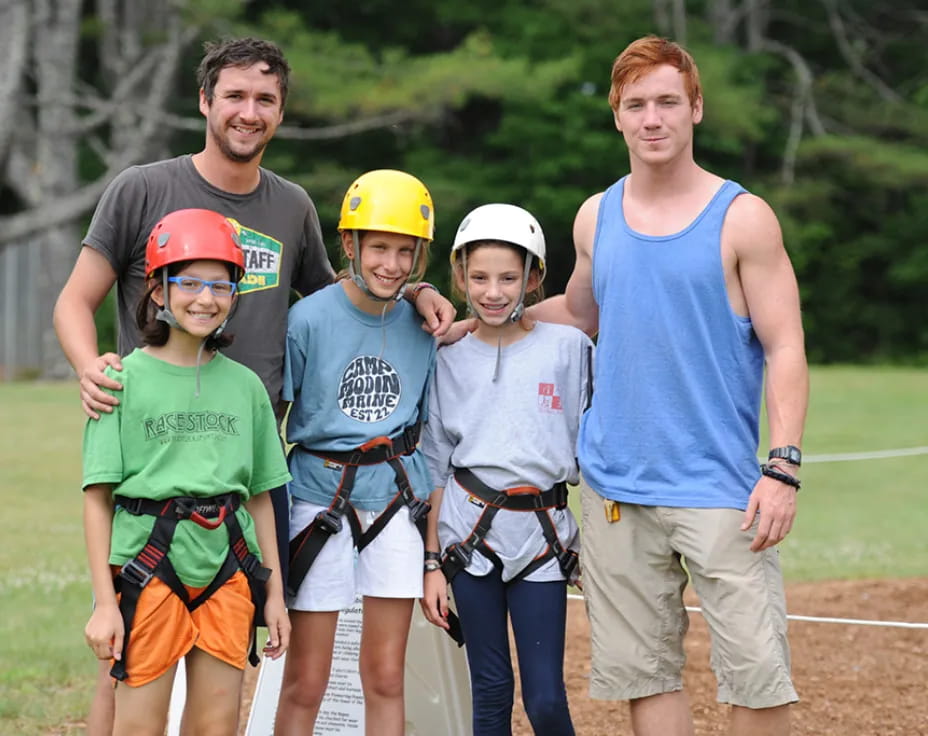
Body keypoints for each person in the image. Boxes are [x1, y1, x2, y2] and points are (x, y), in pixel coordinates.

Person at [52, 38, 453, 734]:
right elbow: (72, 300)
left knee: (226, 649)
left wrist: (415, 289)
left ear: (281, 111)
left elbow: (342, 298)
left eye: (265, 99)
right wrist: (91, 366)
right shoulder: (142, 188)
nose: (249, 111)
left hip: (252, 460)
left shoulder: (291, 206)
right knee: (127, 662)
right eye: (234, 95)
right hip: (156, 449)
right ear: (204, 101)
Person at [529, 36, 809, 736]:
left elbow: (785, 345)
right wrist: (481, 322)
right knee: (646, 675)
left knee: (758, 677)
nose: (652, 119)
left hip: (721, 487)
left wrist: (782, 468)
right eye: (636, 105)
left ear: (696, 108)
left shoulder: (743, 217)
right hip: (615, 488)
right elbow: (581, 313)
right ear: (616, 117)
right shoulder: (596, 216)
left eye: (667, 102)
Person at [82, 208, 290, 736]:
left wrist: (275, 594)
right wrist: (104, 604)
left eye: (221, 286)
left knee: (216, 727)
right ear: (158, 289)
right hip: (149, 568)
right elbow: (96, 498)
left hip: (228, 570)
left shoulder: (246, 387)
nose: (206, 299)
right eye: (190, 283)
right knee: (139, 726)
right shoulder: (119, 380)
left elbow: (261, 495)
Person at [274, 169, 440, 736]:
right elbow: (275, 415)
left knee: (387, 677)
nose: (392, 264)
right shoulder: (307, 320)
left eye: (405, 251)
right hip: (319, 498)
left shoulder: (424, 324)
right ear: (349, 244)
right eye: (379, 248)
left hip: (394, 498)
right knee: (306, 680)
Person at [419, 204, 592, 736]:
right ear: (460, 278)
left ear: (533, 278)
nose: (493, 292)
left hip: (542, 537)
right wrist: (432, 563)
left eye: (508, 278)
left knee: (545, 699)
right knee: (490, 690)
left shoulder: (569, 350)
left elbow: (600, 447)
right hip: (468, 536)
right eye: (479, 278)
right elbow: (436, 467)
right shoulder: (444, 358)